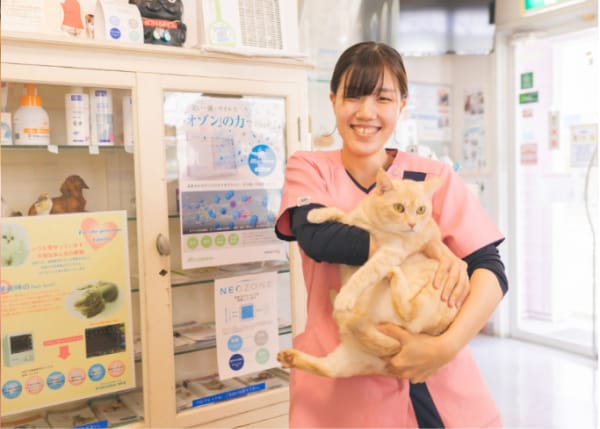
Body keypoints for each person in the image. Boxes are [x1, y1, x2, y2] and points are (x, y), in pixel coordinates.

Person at [275, 41, 508, 428]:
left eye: (383, 98)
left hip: (435, 379)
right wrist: (429, 244)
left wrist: (444, 347)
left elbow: (489, 268)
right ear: (333, 100)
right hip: (346, 386)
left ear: (401, 105)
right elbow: (321, 239)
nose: (366, 112)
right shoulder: (311, 168)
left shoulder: (432, 178)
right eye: (353, 95)